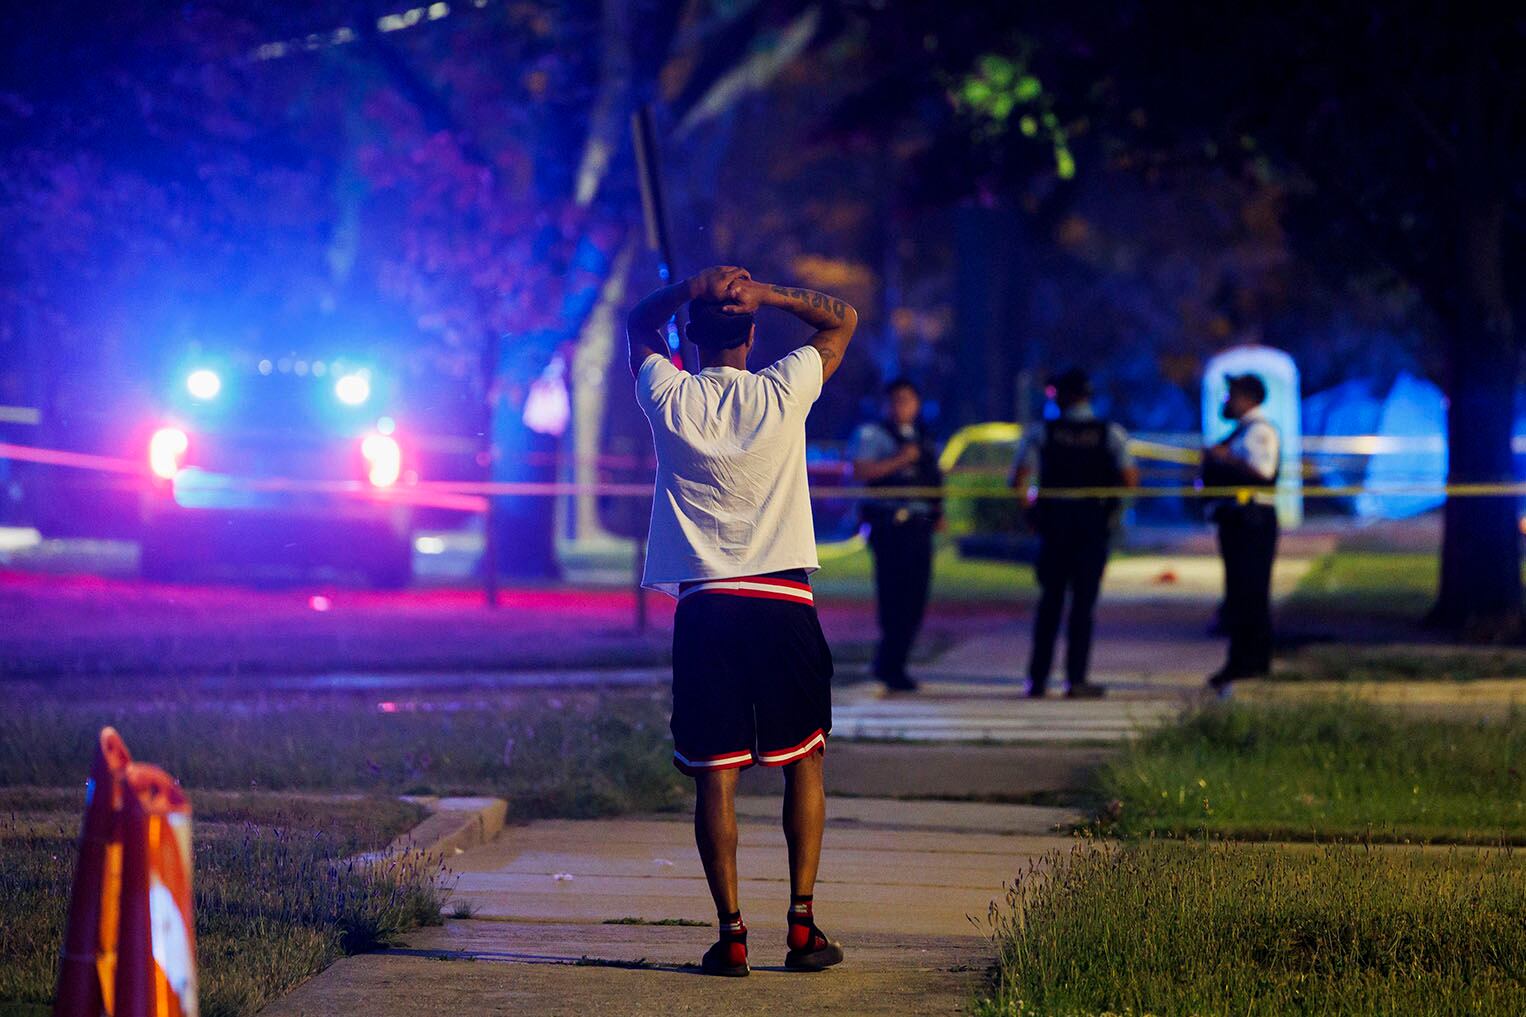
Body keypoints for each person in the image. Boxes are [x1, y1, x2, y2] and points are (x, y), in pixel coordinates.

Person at [627, 265, 856, 977]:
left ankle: (730, 934)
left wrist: (689, 288)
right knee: (804, 760)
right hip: (782, 598)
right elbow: (840, 319)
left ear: (688, 342)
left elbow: (637, 325)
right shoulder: (782, 390)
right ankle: (803, 924)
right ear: (752, 337)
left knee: (714, 775)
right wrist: (772, 293)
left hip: (707, 605)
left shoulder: (669, 394)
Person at [1009, 368, 1139, 699]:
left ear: (1062, 396)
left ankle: (1037, 680)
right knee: (1083, 605)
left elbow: (1019, 479)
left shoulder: (1042, 433)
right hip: (1092, 525)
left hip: (1055, 524)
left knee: (1050, 603)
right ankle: (1076, 680)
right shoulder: (1110, 433)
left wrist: (1031, 512)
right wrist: (1110, 507)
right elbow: (1129, 480)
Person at [849, 378, 944, 692]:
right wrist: (901, 460)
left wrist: (937, 510)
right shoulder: (872, 435)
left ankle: (896, 663)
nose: (902, 406)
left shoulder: (924, 437)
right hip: (889, 523)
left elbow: (932, 477)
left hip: (919, 524)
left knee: (916, 598)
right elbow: (860, 471)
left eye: (908, 399)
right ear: (886, 404)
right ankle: (889, 665)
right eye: (896, 400)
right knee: (893, 598)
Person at [1202, 372, 1280, 693]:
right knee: (1240, 592)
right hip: (1238, 520)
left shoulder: (1258, 432)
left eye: (1230, 394)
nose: (1225, 401)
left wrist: (1225, 459)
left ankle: (1248, 661)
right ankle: (1246, 660)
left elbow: (1263, 474)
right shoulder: (1240, 432)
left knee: (1249, 592)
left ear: (1247, 398)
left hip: (1252, 521)